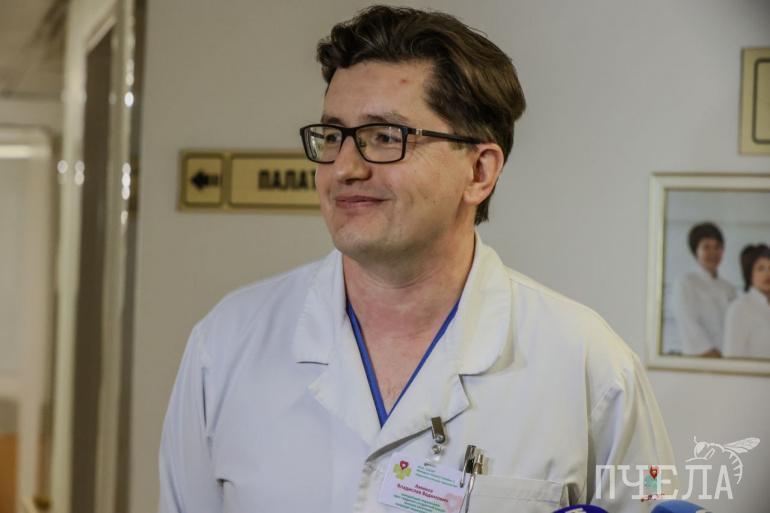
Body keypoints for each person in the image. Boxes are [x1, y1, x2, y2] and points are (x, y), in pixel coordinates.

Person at [159, 6, 675, 513]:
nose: (345, 168)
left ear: (479, 172)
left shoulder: (588, 366)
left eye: (385, 137)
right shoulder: (226, 343)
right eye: (333, 136)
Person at [671, 222, 736, 356]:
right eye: (706, 247)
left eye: (717, 247)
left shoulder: (729, 288)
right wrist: (710, 353)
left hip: (728, 357)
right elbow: (688, 323)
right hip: (699, 357)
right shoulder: (685, 283)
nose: (713, 253)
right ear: (696, 251)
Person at [723, 244, 770, 358]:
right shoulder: (740, 308)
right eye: (760, 268)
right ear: (749, 273)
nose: (767, 274)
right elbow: (732, 356)